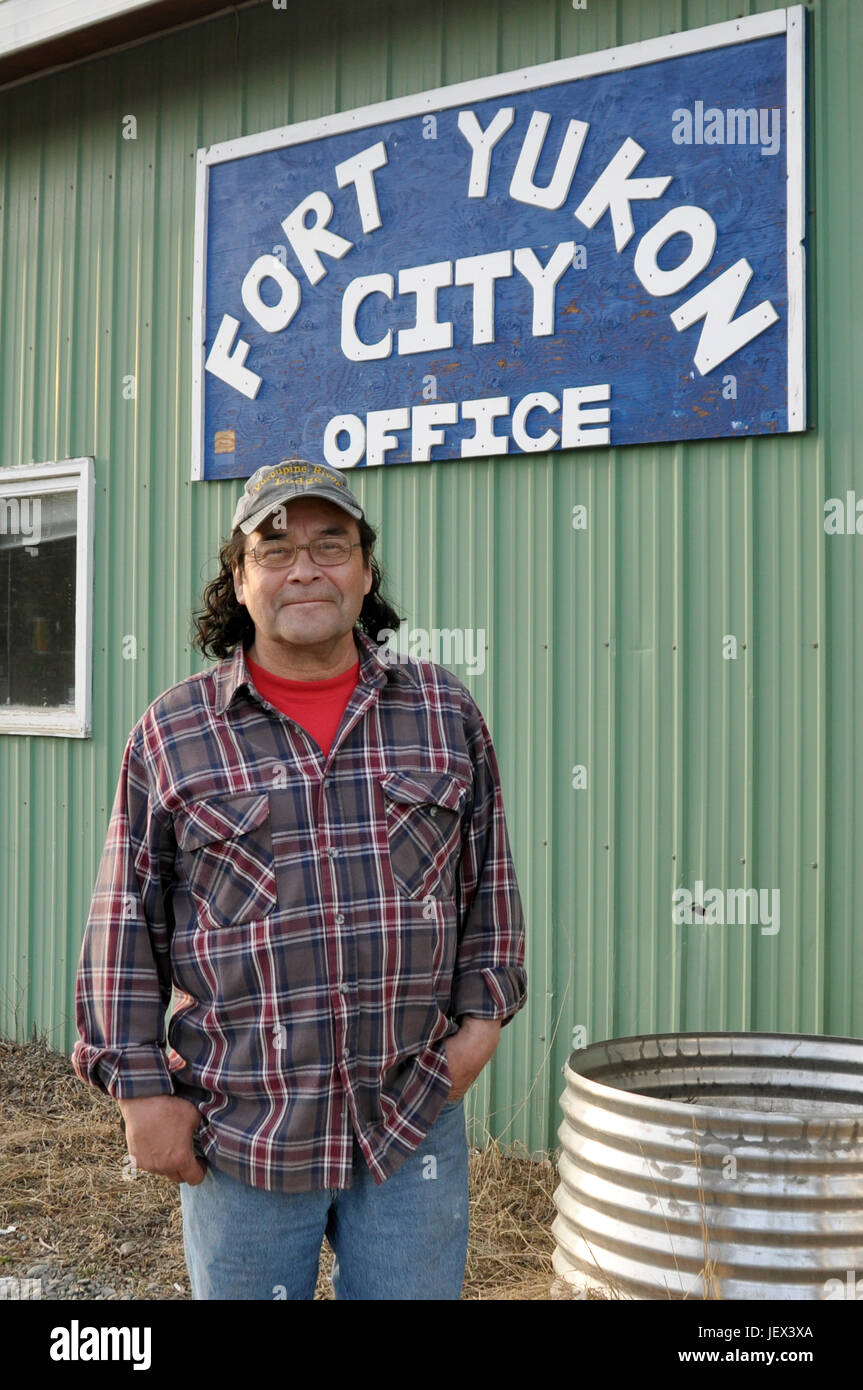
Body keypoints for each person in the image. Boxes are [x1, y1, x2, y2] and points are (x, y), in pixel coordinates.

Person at [72, 457, 527, 1300]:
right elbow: (123, 923)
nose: (305, 567)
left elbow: (487, 885)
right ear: (239, 580)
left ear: (363, 571)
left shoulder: (441, 711)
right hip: (242, 1125)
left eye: (331, 544)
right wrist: (139, 1090)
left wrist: (480, 1028)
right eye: (274, 550)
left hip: (412, 1113)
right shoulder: (173, 733)